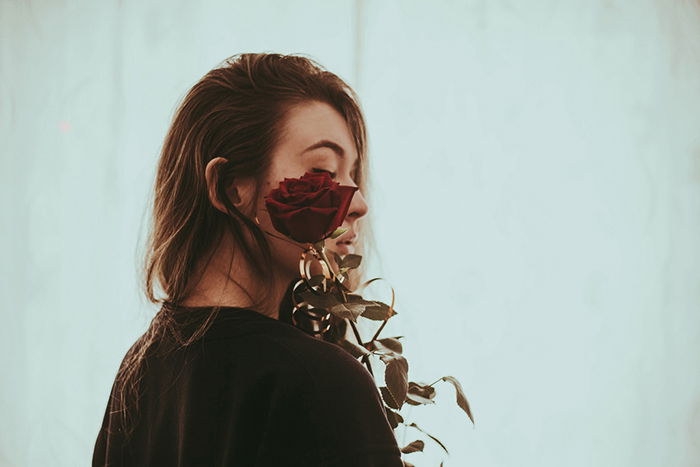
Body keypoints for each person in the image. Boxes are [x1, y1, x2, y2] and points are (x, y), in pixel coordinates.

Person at [92, 52, 405, 466]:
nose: (359, 203)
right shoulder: (321, 379)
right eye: (325, 172)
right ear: (228, 188)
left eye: (353, 175)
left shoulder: (141, 371)